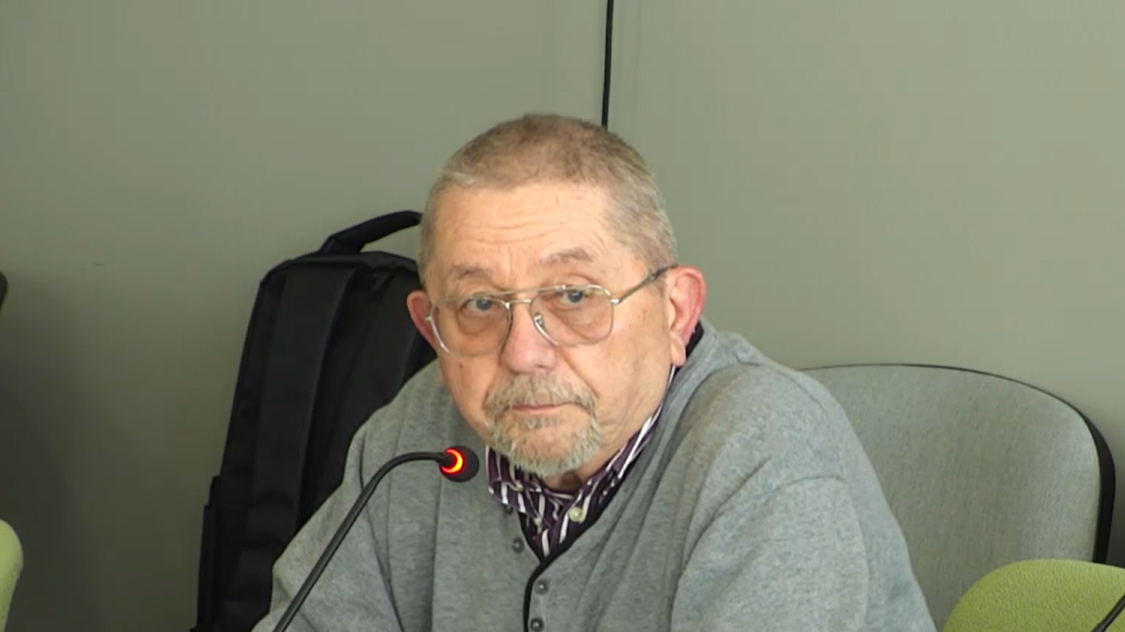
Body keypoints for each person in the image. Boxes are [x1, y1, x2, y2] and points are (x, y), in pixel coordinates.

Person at [253, 114, 936, 631]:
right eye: (480, 304)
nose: (522, 351)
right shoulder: (416, 435)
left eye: (574, 296)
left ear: (674, 312)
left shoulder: (761, 449)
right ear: (431, 327)